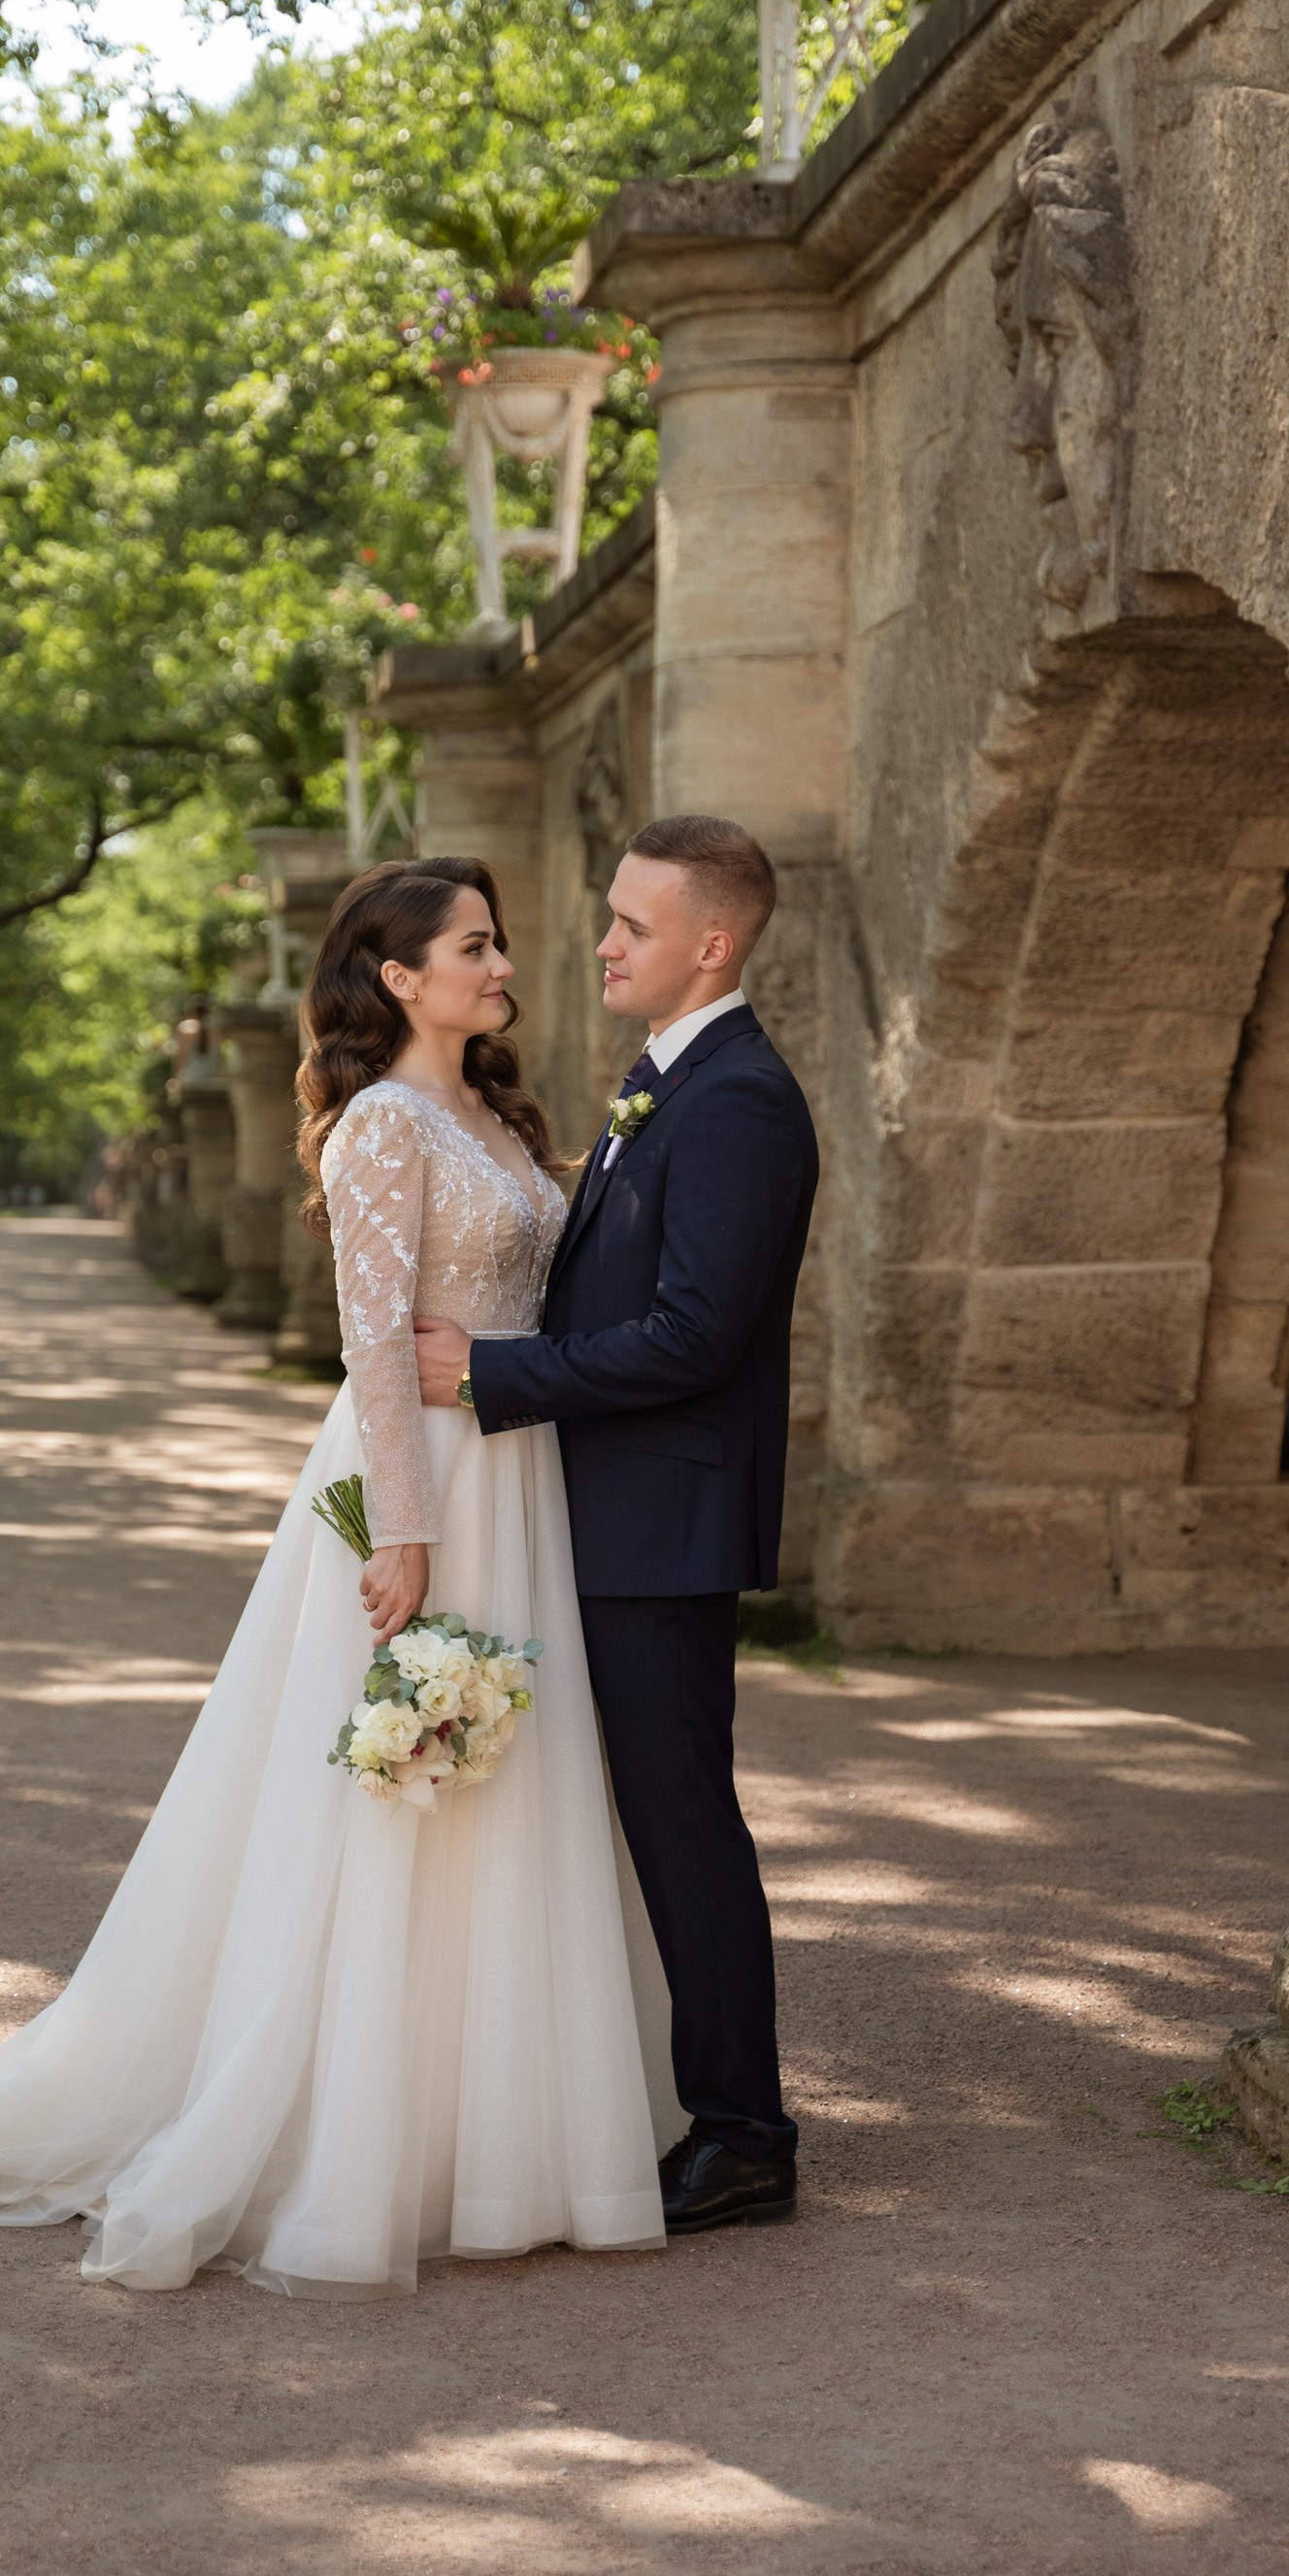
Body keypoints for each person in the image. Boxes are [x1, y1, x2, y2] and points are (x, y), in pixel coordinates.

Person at [0, 858, 679, 2295]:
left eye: (497, 943)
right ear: (400, 977)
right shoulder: (381, 1124)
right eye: (474, 945)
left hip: (524, 1471)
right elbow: (372, 1341)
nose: (502, 963)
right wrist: (402, 1530)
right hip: (428, 1476)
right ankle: (364, 2145)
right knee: (407, 1785)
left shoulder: (495, 1113)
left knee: (509, 1781)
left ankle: (513, 2135)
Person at [413, 814, 818, 2235]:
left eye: (633, 926)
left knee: (680, 1822)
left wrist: (494, 1375)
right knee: (621, 1821)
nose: (601, 944)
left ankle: (745, 2135)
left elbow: (697, 1337)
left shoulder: (740, 1100)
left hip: (661, 1527)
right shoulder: (667, 1081)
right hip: (601, 1511)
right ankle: (624, 2098)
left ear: (711, 944)